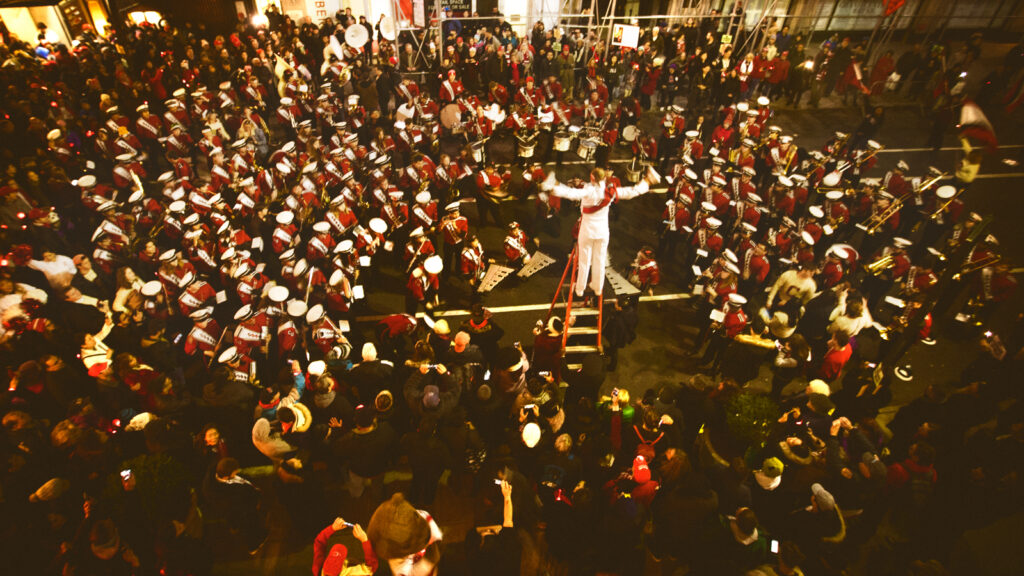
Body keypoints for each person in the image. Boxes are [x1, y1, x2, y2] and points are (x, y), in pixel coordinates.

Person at [543, 166, 659, 305]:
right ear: (604, 178)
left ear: (592, 178)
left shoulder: (588, 190)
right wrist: (647, 181)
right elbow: (632, 192)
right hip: (602, 231)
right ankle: (598, 288)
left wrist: (553, 185)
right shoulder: (610, 191)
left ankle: (580, 289)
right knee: (599, 260)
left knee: (584, 261)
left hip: (587, 230)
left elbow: (570, 193)